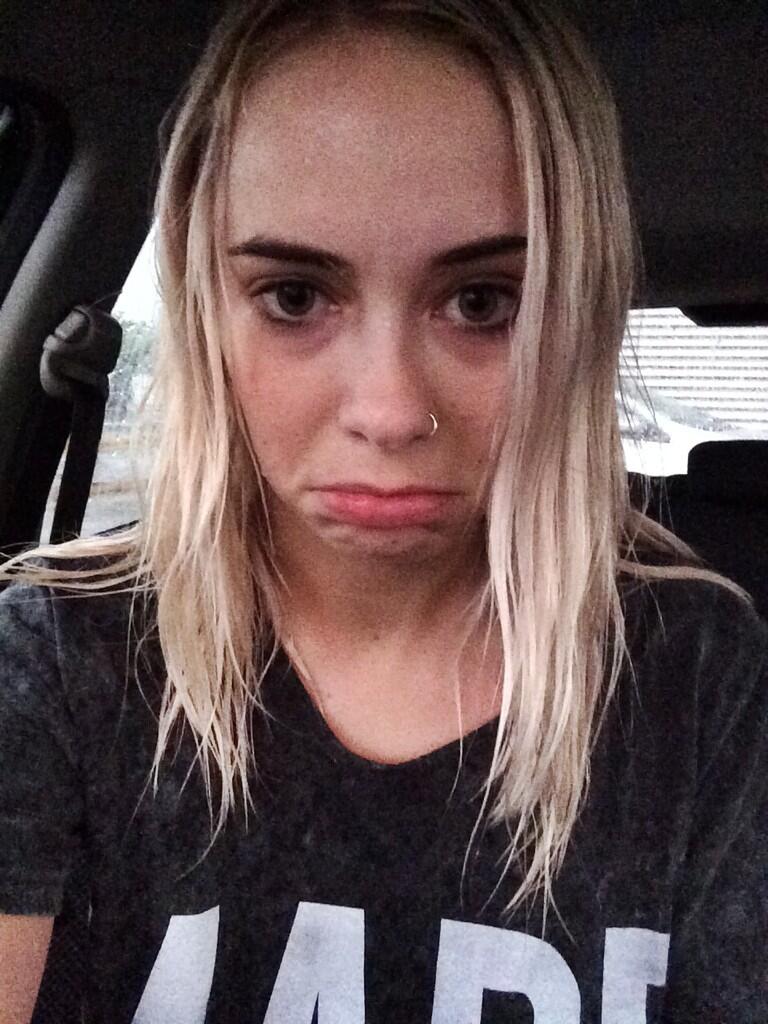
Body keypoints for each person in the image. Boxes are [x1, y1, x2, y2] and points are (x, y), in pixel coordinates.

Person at [0, 1, 766, 1021]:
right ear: (205, 304)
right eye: (294, 297)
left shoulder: (700, 674)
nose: (392, 411)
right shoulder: (56, 658)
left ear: (574, 318)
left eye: (485, 302)